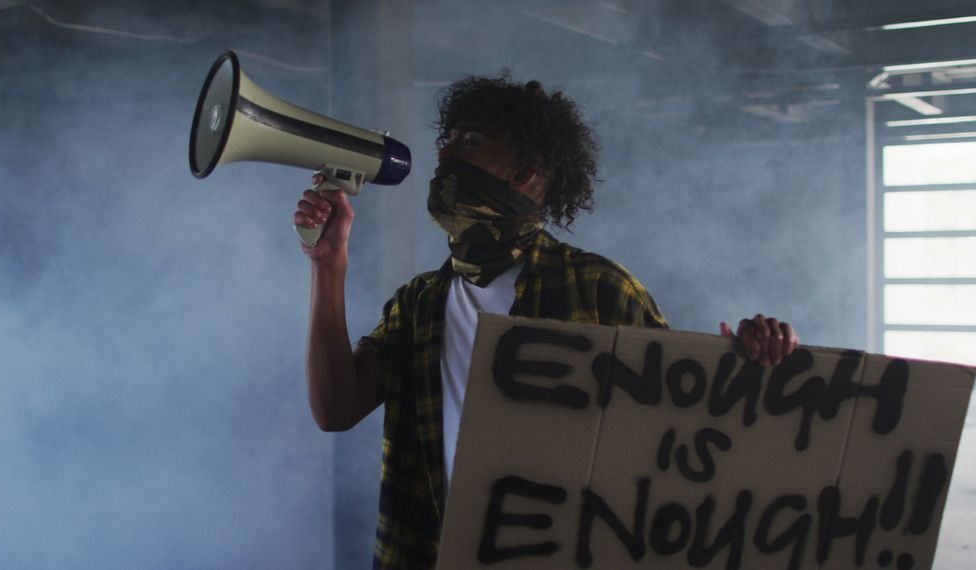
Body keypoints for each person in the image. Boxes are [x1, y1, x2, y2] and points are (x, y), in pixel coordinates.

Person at [294, 76, 799, 569]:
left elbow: (678, 428)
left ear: (525, 171)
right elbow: (335, 408)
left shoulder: (598, 289)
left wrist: (750, 364)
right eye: (446, 141)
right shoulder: (420, 302)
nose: (445, 155)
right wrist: (328, 266)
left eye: (470, 142)